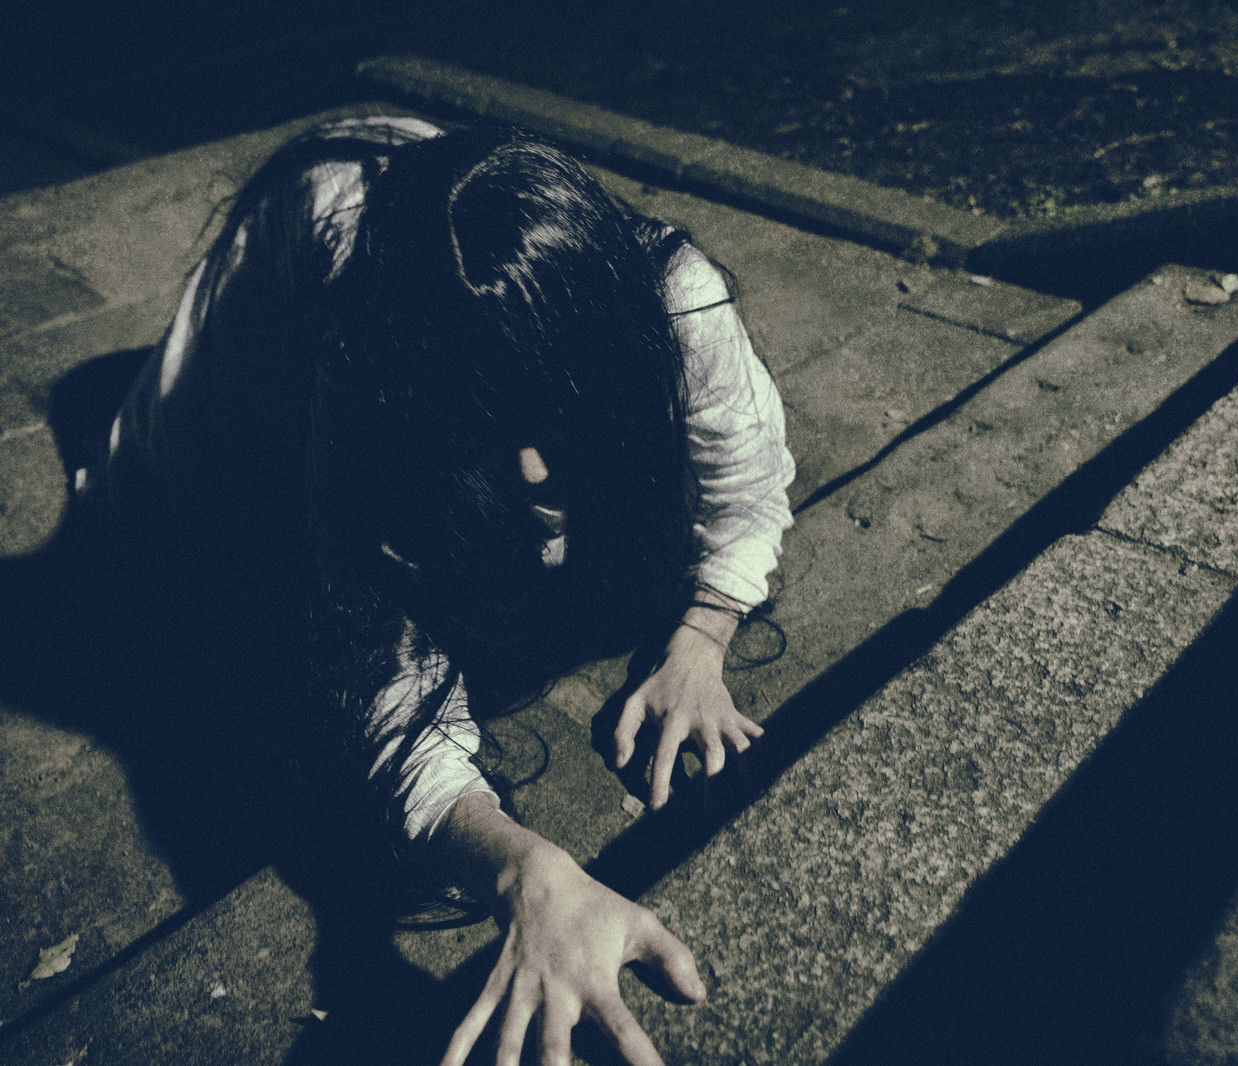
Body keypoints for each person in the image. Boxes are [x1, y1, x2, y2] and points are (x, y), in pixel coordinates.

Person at [79, 114, 794, 1066]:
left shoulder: (673, 298)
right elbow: (388, 690)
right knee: (151, 487)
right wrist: (520, 867)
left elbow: (748, 485)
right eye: (490, 427)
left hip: (443, 203)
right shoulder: (363, 377)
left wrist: (703, 636)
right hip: (321, 208)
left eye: (552, 415)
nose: (534, 469)